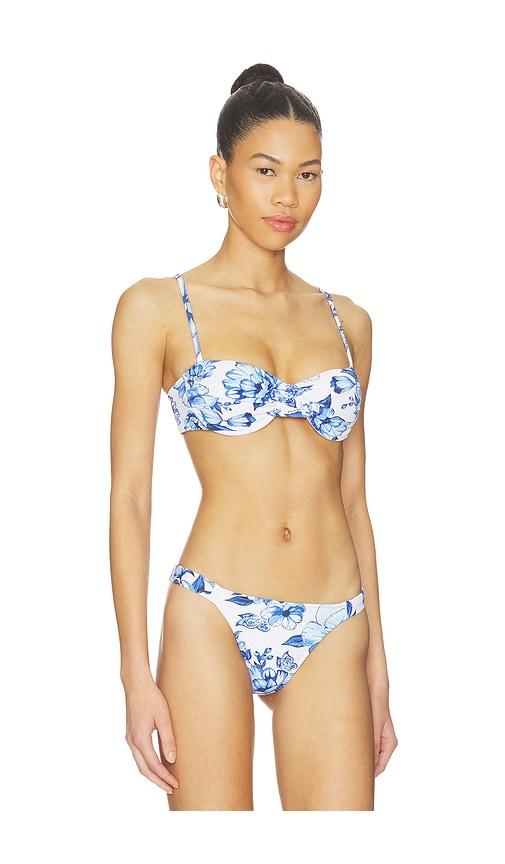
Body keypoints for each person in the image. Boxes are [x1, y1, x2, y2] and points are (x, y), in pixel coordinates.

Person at [109, 62, 398, 811]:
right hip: (215, 608)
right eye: (265, 171)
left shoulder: (348, 321)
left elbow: (353, 498)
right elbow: (130, 496)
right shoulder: (158, 308)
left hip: (333, 616)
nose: (286, 196)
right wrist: (134, 674)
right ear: (221, 173)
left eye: (308, 174)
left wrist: (378, 665)